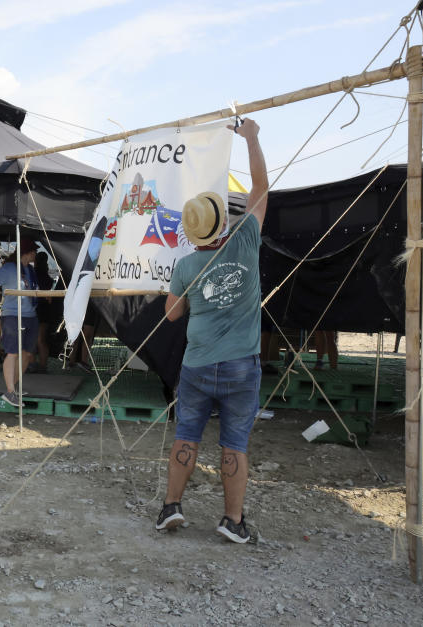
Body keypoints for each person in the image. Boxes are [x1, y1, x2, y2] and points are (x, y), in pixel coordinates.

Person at [159, 118, 268, 544]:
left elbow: (171, 316)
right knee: (234, 443)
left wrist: (187, 294)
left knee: (186, 435)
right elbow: (260, 189)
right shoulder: (245, 240)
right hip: (241, 365)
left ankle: (170, 507)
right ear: (222, 220)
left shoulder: (186, 265)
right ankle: (232, 520)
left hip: (197, 363)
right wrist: (253, 139)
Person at [0, 239, 38, 407]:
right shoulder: (9, 268)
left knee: (27, 354)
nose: (35, 254)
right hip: (12, 315)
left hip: (30, 315)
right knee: (13, 352)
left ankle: (14, 387)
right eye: (33, 251)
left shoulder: (30, 269)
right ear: (27, 253)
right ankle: (10, 392)